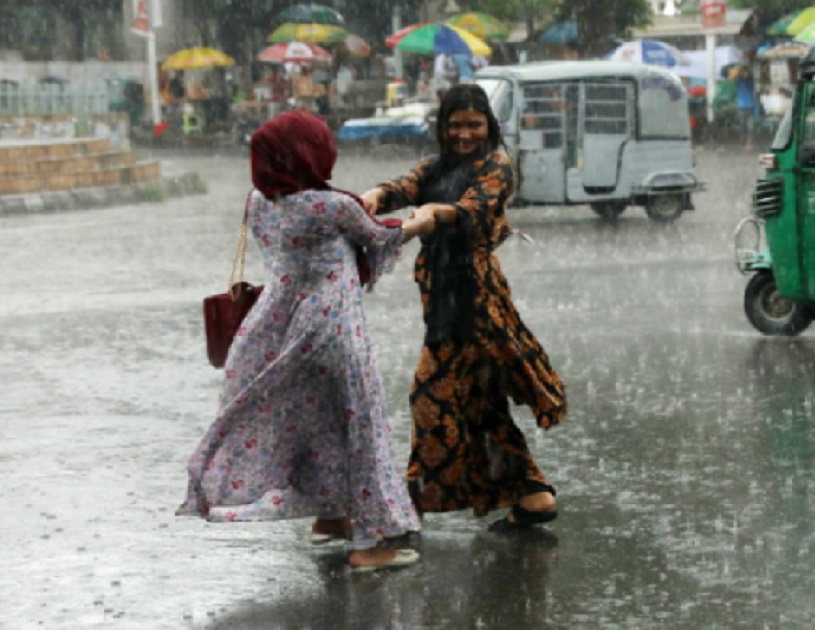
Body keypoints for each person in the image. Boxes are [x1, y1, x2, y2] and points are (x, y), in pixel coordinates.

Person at [177, 111, 437, 572]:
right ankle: (371, 543)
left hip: (277, 326)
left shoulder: (258, 201)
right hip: (331, 327)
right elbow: (380, 236)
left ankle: (331, 516)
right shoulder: (329, 206)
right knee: (360, 428)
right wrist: (423, 221)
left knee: (320, 424)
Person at [360, 84, 567, 532]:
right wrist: (376, 194)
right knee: (481, 403)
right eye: (455, 125)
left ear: (488, 125)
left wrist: (434, 213)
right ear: (443, 127)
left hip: (474, 300)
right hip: (443, 294)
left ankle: (407, 506)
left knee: (429, 399)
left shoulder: (498, 165)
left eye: (474, 125)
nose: (464, 134)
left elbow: (472, 209)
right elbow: (403, 186)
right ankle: (533, 495)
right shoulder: (437, 165)